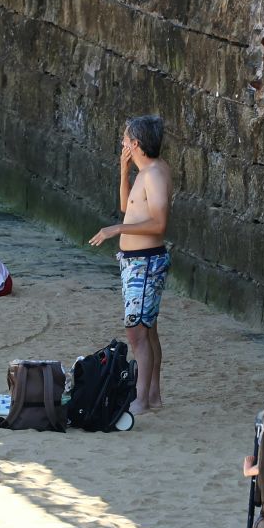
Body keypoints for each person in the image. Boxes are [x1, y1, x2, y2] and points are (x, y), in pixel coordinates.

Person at [88, 115, 172, 412]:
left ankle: (141, 398)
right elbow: (128, 208)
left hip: (146, 263)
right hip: (135, 262)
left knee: (137, 331)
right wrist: (123, 171)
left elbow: (159, 224)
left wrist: (117, 229)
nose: (122, 143)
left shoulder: (155, 174)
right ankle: (152, 396)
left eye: (125, 139)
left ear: (136, 144)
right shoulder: (143, 171)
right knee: (147, 330)